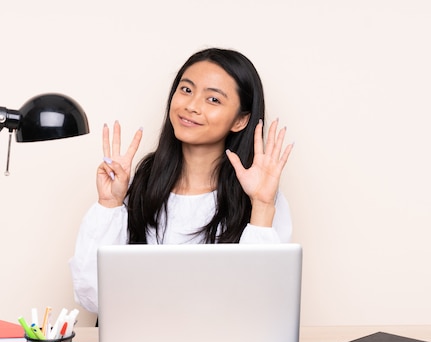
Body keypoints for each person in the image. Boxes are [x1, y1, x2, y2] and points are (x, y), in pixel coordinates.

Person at [69, 48, 294, 313]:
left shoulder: (261, 198)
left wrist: (262, 206)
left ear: (240, 120)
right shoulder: (139, 185)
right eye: (186, 90)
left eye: (213, 99)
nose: (191, 106)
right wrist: (109, 203)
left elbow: (258, 307)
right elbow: (93, 298)